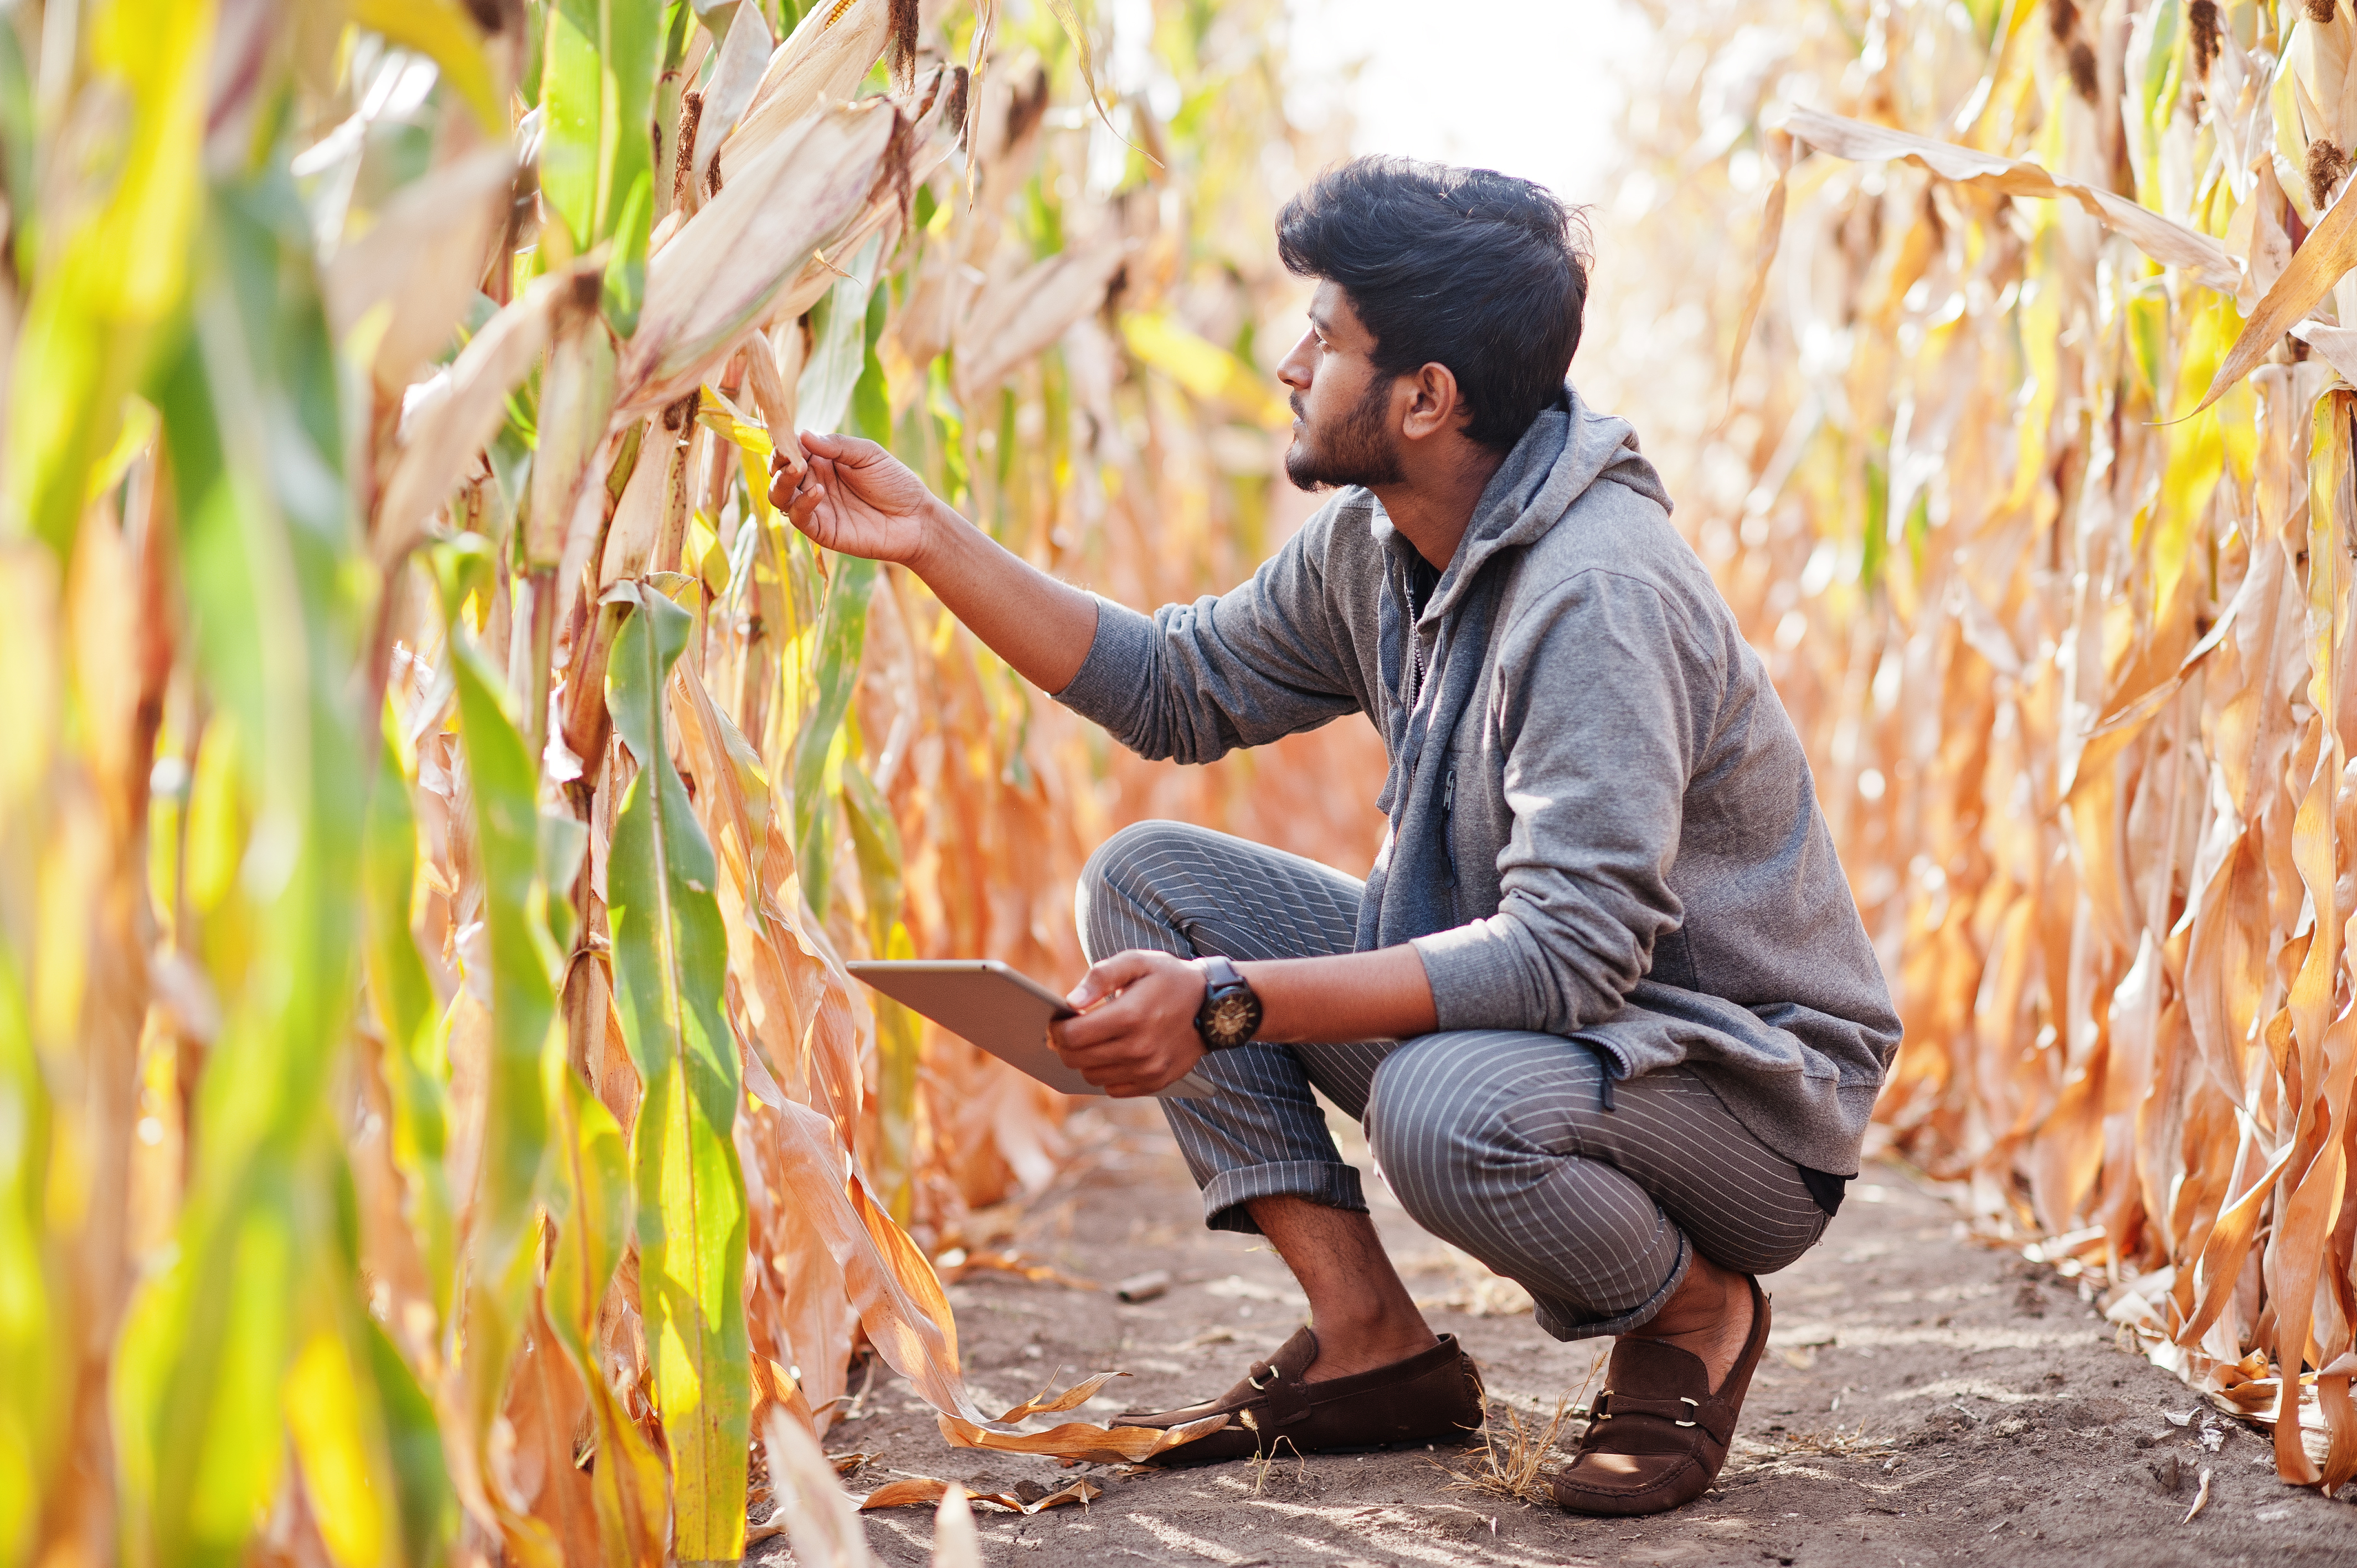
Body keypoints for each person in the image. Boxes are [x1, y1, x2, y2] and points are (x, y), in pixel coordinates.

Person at [768, 155, 1901, 1518]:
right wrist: (927, 536)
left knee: (1443, 1116)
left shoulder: (1598, 594)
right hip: (1557, 1030)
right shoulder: (1376, 540)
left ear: (1427, 398)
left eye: (1328, 336)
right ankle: (1373, 1344)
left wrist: (1231, 1005)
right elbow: (1172, 686)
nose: (1289, 360)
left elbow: (1569, 957)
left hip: (1735, 1097)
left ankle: (1694, 1316)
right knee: (1149, 882)